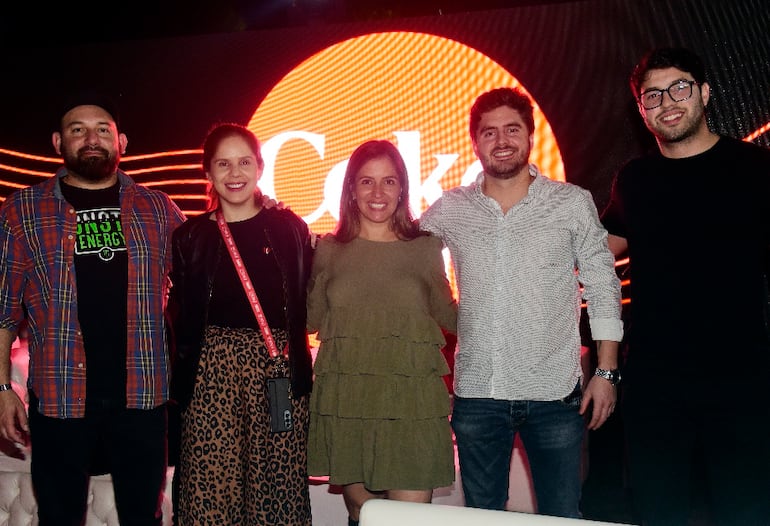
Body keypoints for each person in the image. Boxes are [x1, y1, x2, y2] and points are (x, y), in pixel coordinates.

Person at [419, 87, 624, 518]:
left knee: (561, 517)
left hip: (554, 398)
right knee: (483, 517)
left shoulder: (570, 202)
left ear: (530, 137)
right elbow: (399, 247)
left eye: (512, 129)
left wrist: (606, 371)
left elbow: (604, 287)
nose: (501, 141)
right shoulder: (451, 208)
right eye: (489, 132)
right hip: (477, 396)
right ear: (474, 142)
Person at [601, 46, 770, 526]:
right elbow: (596, 253)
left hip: (742, 378)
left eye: (680, 87)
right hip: (656, 382)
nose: (667, 102)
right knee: (659, 513)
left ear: (705, 92)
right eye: (652, 95)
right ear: (641, 110)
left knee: (748, 511)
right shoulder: (634, 179)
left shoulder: (755, 168)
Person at [0, 92, 185, 526]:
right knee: (60, 516)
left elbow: (207, 266)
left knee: (144, 516)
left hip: (141, 396)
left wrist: (262, 209)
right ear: (57, 142)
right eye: (77, 130)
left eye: (102, 129)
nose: (91, 138)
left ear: (122, 141)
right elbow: (3, 312)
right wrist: (3, 390)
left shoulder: (158, 209)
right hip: (60, 396)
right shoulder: (22, 210)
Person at [167, 122, 314, 525]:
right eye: (224, 164)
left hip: (276, 370)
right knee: (208, 489)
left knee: (278, 491)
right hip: (210, 373)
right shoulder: (190, 236)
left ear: (260, 167)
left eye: (244, 162)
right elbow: (180, 313)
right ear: (208, 173)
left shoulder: (291, 229)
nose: (235, 174)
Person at [306, 139, 458, 526]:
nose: (378, 193)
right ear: (351, 190)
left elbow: (452, 317)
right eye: (366, 182)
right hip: (349, 407)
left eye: (389, 182)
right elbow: (308, 322)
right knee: (364, 514)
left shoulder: (424, 248)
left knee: (405, 520)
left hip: (413, 410)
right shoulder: (328, 250)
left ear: (403, 188)